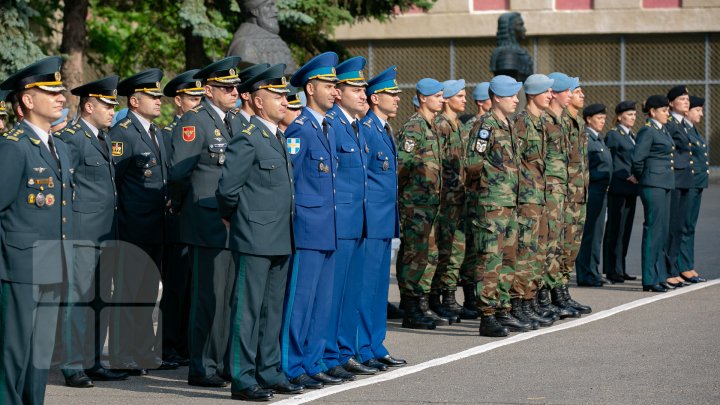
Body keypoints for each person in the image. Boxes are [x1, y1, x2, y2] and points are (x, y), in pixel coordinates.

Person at [216, 63, 304, 401]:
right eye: (276, 95)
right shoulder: (248, 138)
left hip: (281, 236)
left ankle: (269, 371)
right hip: (254, 237)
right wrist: (238, 221)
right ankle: (243, 377)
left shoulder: (276, 135)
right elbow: (227, 191)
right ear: (255, 99)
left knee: (272, 310)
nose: (284, 101)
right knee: (247, 311)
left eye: (284, 95)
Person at [0, 56, 73, 405]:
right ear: (27, 100)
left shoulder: (56, 147)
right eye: (50, 91)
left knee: (39, 356)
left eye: (61, 91)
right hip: (18, 268)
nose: (61, 97)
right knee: (12, 354)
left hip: (48, 264)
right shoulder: (13, 146)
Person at [169, 57, 242, 387]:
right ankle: (202, 367)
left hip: (232, 224)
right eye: (226, 87)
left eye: (236, 87)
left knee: (227, 298)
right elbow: (180, 173)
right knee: (207, 299)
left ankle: (222, 362)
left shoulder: (235, 122)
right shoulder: (194, 121)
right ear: (208, 90)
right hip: (205, 221)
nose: (233, 92)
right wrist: (188, 211)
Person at [56, 76, 129, 388]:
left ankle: (94, 360)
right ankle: (73, 365)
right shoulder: (73, 137)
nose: (112, 110)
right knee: (79, 299)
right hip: (83, 232)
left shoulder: (103, 136)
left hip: (105, 231)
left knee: (101, 297)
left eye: (113, 105)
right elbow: (65, 186)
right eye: (107, 105)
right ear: (89, 106)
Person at [109, 68, 177, 374]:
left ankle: (143, 351)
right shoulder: (122, 132)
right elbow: (115, 183)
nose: (158, 101)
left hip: (156, 227)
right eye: (152, 96)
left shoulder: (157, 133)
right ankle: (122, 353)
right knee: (129, 294)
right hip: (133, 228)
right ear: (134, 101)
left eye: (159, 96)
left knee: (148, 293)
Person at [281, 52, 342, 389]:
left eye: (335, 86)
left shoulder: (327, 127)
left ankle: (313, 360)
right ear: (310, 88)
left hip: (327, 227)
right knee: (300, 303)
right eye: (329, 86)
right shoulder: (300, 129)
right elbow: (288, 181)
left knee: (321, 303)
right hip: (306, 228)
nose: (335, 91)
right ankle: (291, 364)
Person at [322, 56, 380, 380]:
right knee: (333, 295)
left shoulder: (355, 126)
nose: (362, 93)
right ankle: (328, 355)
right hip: (338, 222)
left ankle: (344, 352)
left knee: (350, 294)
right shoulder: (331, 124)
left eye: (363, 88)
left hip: (357, 222)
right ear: (339, 93)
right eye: (354, 88)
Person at [465, 75, 524, 337]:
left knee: (508, 256)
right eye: (511, 95)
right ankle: (487, 315)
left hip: (509, 202)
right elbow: (472, 163)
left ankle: (502, 308)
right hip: (491, 203)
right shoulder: (485, 125)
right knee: (490, 258)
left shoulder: (508, 124)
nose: (516, 99)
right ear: (497, 97)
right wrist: (488, 186)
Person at [356, 65, 406, 371]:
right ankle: (363, 346)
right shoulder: (366, 130)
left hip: (384, 221)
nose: (397, 98)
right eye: (391, 94)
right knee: (366, 290)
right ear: (375, 99)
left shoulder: (383, 129)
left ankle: (375, 345)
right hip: (370, 221)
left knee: (378, 290)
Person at [159, 69, 204, 367]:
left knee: (191, 284)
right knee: (175, 286)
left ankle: (186, 343)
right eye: (192, 97)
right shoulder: (167, 132)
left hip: (195, 217)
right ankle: (169, 344)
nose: (198, 103)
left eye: (202, 97)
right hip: (175, 214)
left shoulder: (203, 127)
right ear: (179, 100)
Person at [396, 78, 448, 329]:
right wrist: (408, 197)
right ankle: (411, 307)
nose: (442, 99)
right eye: (438, 96)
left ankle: (421, 303)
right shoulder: (414, 127)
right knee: (414, 255)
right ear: (423, 98)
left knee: (428, 255)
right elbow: (401, 166)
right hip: (415, 204)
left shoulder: (433, 126)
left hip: (430, 204)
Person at [512, 73, 556, 328]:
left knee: (536, 253)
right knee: (524, 253)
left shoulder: (541, 122)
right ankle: (518, 304)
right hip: (525, 198)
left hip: (539, 197)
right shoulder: (522, 122)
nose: (550, 95)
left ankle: (529, 302)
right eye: (546, 91)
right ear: (533, 94)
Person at [432, 79, 477, 321]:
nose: (464, 99)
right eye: (459, 96)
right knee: (444, 249)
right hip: (446, 200)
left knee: (455, 250)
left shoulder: (457, 125)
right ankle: (438, 298)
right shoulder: (441, 125)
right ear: (447, 99)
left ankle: (448, 297)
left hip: (459, 197)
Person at [538, 72, 579, 319]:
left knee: (561, 244)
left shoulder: (561, 120)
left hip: (562, 190)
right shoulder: (543, 120)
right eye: (569, 91)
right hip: (548, 192)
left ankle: (558, 291)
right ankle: (543, 296)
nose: (573, 96)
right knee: (547, 245)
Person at [555, 74, 592, 314]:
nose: (581, 96)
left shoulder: (576, 121)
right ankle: (554, 293)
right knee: (558, 247)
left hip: (578, 195)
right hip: (564, 196)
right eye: (577, 92)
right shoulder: (562, 122)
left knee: (571, 247)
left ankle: (563, 291)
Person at [631, 95, 675, 292]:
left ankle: (659, 274)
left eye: (667, 110)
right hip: (652, 183)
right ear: (652, 112)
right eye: (664, 110)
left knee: (662, 230)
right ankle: (649, 278)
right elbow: (637, 158)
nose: (667, 113)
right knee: (653, 230)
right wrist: (643, 177)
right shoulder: (647, 130)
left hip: (664, 183)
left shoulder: (662, 129)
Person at [575, 103, 613, 287]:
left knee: (597, 234)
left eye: (604, 119)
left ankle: (594, 271)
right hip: (592, 191)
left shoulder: (599, 139)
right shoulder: (587, 138)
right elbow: (584, 168)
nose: (602, 122)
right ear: (589, 119)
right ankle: (585, 274)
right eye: (599, 118)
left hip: (601, 192)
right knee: (588, 235)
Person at [602, 101, 640, 283]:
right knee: (614, 230)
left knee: (625, 230)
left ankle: (621, 268)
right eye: (629, 114)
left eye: (634, 114)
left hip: (632, 188)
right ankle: (611, 270)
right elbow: (609, 160)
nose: (633, 117)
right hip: (618, 187)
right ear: (619, 116)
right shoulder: (613, 135)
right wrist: (625, 175)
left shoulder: (632, 135)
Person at [663, 85, 693, 288]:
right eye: (682, 99)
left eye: (687, 99)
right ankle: (669, 270)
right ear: (671, 103)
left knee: (680, 226)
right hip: (675, 179)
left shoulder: (683, 124)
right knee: (672, 227)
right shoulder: (671, 123)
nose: (686, 102)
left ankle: (675, 267)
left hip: (684, 179)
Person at [678, 95, 709, 283]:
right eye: (697, 110)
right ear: (687, 112)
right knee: (684, 225)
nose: (701, 114)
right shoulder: (683, 129)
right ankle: (683, 266)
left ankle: (687, 265)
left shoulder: (693, 129)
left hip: (697, 183)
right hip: (689, 182)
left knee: (690, 226)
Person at [228, 63, 270, 135]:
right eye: (262, 91)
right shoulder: (233, 124)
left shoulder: (267, 122)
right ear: (245, 95)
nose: (267, 95)